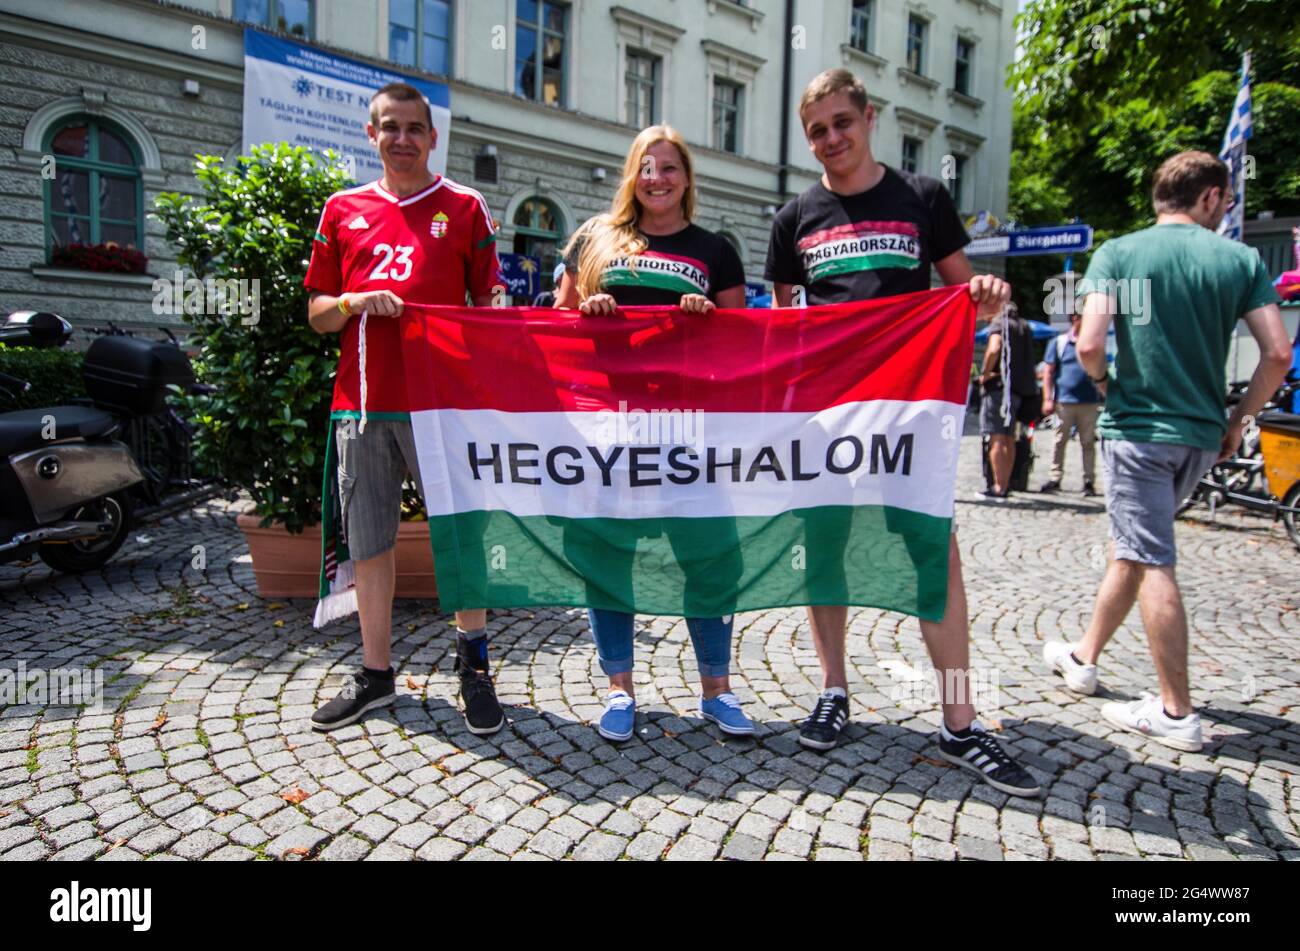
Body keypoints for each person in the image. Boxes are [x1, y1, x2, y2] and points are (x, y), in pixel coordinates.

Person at [765, 68, 1039, 796]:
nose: (831, 139)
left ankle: (959, 720)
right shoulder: (794, 218)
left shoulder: (923, 198)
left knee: (932, 558)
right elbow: (782, 327)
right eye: (817, 130)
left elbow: (961, 295)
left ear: (868, 116)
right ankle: (832, 690)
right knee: (825, 550)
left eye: (840, 123)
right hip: (827, 416)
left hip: (910, 416)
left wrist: (987, 293)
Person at [1043, 151, 1289, 752]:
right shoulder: (1241, 260)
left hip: (1138, 428)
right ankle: (1083, 657)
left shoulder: (1121, 255)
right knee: (1131, 548)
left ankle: (1176, 712)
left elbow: (1090, 343)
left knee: (1150, 557)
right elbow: (1278, 355)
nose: (1227, 208)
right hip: (1201, 435)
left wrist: (1105, 385)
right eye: (1226, 200)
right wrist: (1240, 419)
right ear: (1209, 196)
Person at [304, 82, 506, 734]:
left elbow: (491, 305)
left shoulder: (463, 207)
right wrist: (357, 300)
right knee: (371, 543)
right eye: (389, 127)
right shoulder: (342, 209)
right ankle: (375, 672)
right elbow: (318, 316)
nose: (401, 138)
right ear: (371, 134)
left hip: (441, 408)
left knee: (460, 538)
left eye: (414, 128)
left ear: (432, 136)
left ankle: (473, 664)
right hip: (360, 405)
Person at [555, 125, 753, 742]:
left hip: (688, 428)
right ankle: (619, 690)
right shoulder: (594, 239)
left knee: (712, 554)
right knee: (610, 554)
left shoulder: (715, 249)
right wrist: (587, 314)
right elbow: (553, 327)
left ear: (688, 178)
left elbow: (745, 347)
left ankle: (716, 691)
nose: (657, 178)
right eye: (646, 167)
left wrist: (710, 323)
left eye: (669, 168)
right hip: (609, 425)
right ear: (631, 175)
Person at [976, 302, 1038, 499]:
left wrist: (985, 373)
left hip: (999, 388)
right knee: (1010, 438)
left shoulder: (999, 323)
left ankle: (998, 487)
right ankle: (1006, 484)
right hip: (1019, 391)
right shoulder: (1024, 326)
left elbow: (994, 348)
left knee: (996, 437)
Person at [1039, 311, 1103, 496]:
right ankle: (1055, 477)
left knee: (1088, 442)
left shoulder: (1093, 342)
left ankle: (1089, 480)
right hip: (1063, 402)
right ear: (1075, 319)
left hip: (1089, 401)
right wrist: (1047, 398)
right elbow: (1048, 372)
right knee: (1059, 440)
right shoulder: (1060, 343)